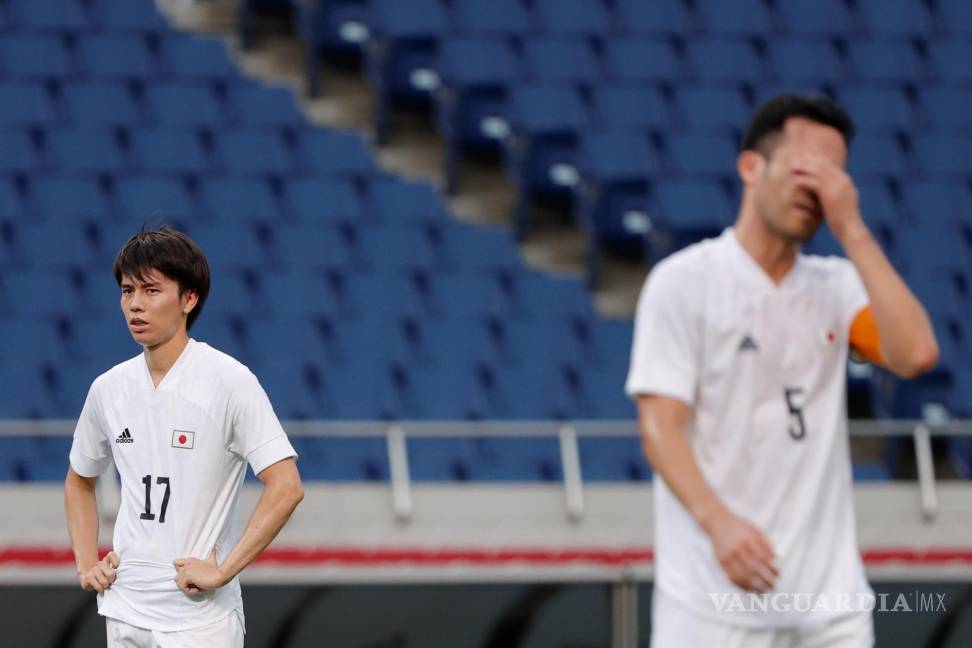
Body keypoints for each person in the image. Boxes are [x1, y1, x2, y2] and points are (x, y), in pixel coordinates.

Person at [626, 94, 939, 647]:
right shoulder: (685, 282)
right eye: (803, 167)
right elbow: (659, 426)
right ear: (752, 167)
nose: (817, 188)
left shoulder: (837, 287)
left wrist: (854, 232)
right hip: (711, 606)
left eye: (832, 173)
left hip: (828, 609)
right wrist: (718, 522)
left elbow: (914, 354)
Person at [64, 226, 304, 647]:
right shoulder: (108, 388)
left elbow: (286, 487)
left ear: (189, 299)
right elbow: (79, 479)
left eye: (151, 290)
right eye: (126, 290)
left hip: (200, 622)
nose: (135, 304)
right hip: (124, 611)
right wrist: (87, 563)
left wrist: (224, 569)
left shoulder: (229, 381)